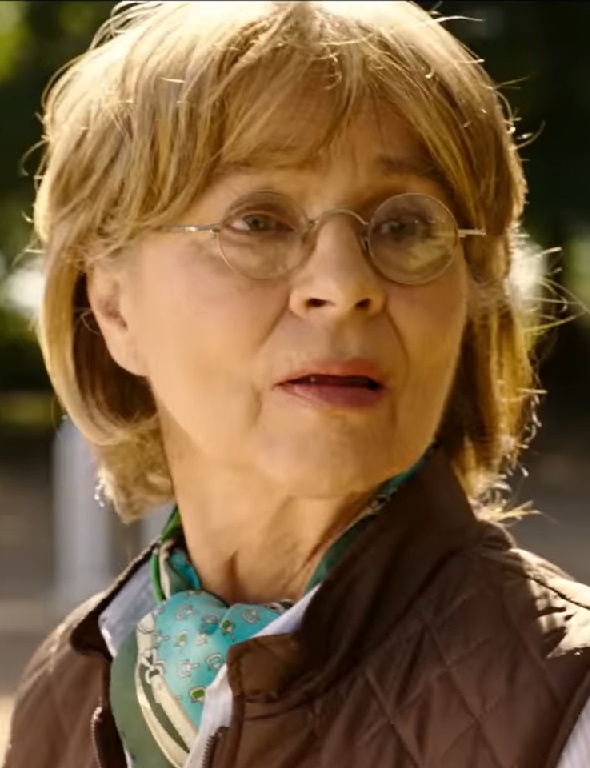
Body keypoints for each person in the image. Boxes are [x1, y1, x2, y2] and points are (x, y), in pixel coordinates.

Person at [4, 2, 590, 767]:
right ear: (112, 304)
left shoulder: (568, 705)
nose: (344, 285)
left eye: (405, 226)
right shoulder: (63, 691)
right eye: (259, 221)